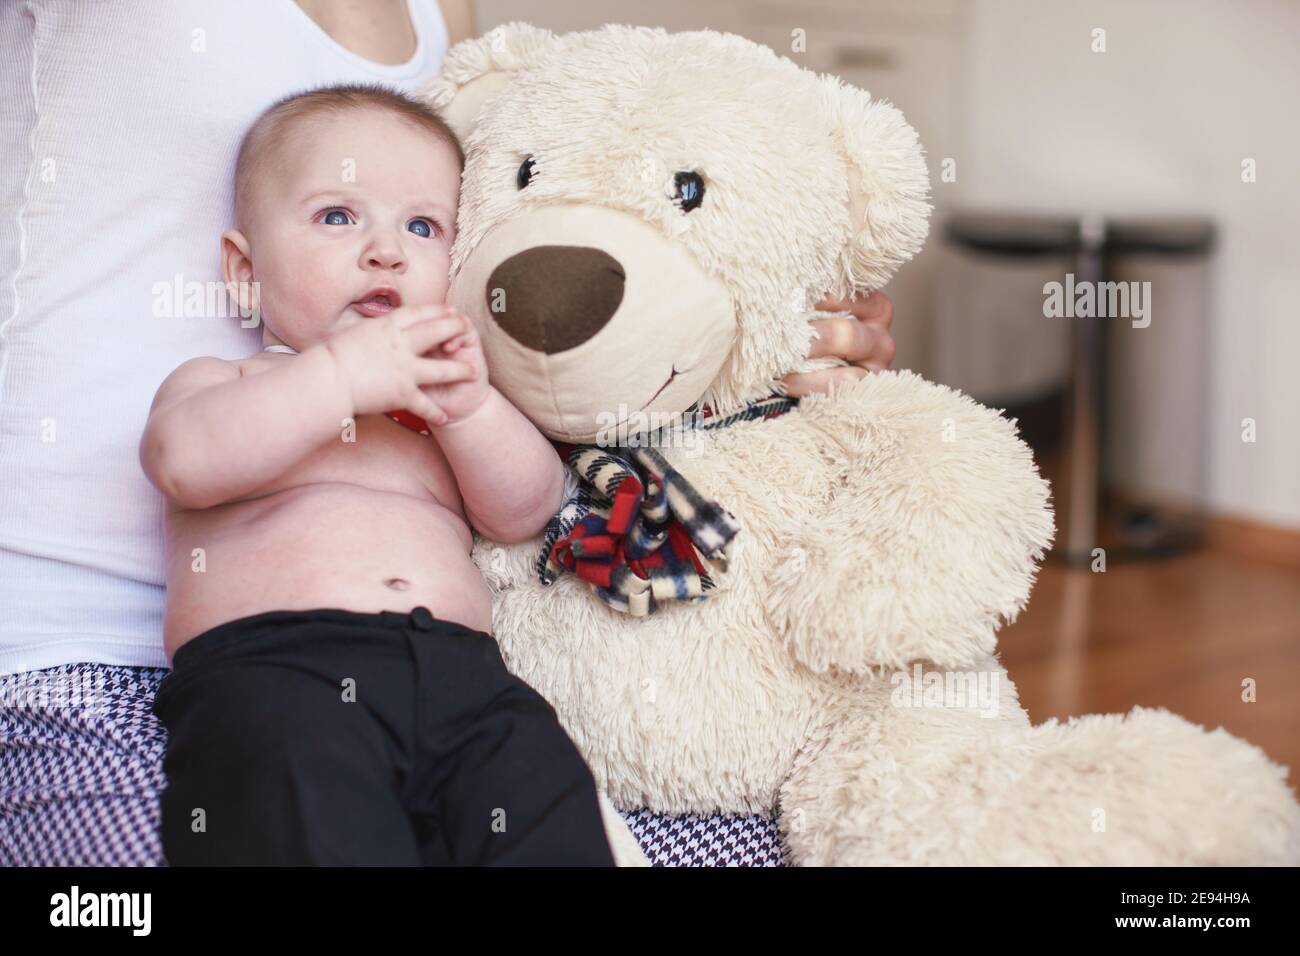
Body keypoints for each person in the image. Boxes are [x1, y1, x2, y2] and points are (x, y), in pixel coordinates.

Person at [0, 0, 897, 866]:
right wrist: (340, 375)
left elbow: (526, 509)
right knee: (310, 822)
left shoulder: (429, 411)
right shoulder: (230, 383)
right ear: (243, 271)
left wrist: (468, 409)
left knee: (545, 804)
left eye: (422, 227)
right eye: (337, 218)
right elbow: (186, 464)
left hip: (468, 676)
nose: (385, 250)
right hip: (279, 675)